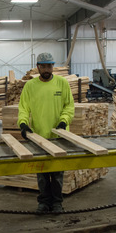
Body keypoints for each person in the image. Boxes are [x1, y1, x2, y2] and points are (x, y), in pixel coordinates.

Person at [17, 52, 74, 213]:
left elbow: (69, 106)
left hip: (59, 137)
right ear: (38, 68)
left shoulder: (62, 83)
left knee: (57, 174)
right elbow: (23, 108)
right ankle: (43, 203)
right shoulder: (30, 86)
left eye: (49, 65)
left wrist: (64, 121)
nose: (47, 69)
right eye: (43, 66)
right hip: (38, 137)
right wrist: (23, 124)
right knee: (42, 173)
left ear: (53, 66)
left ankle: (57, 203)